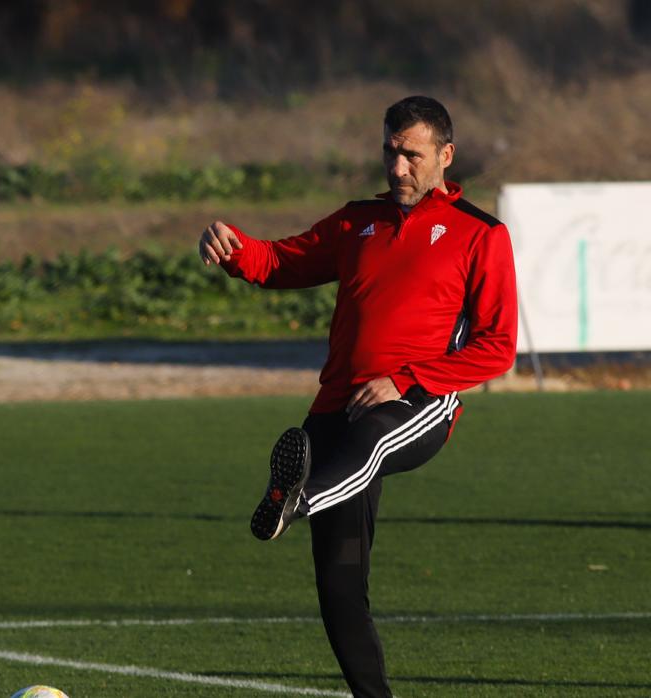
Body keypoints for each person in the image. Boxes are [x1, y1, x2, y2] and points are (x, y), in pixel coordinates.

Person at [197, 96, 517, 697]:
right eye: (390, 152)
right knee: (340, 589)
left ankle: (297, 497)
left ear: (445, 156)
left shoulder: (482, 234)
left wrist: (407, 380)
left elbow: (498, 347)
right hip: (333, 411)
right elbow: (280, 262)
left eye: (412, 155)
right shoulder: (356, 222)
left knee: (371, 438)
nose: (397, 168)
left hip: (419, 404)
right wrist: (234, 247)